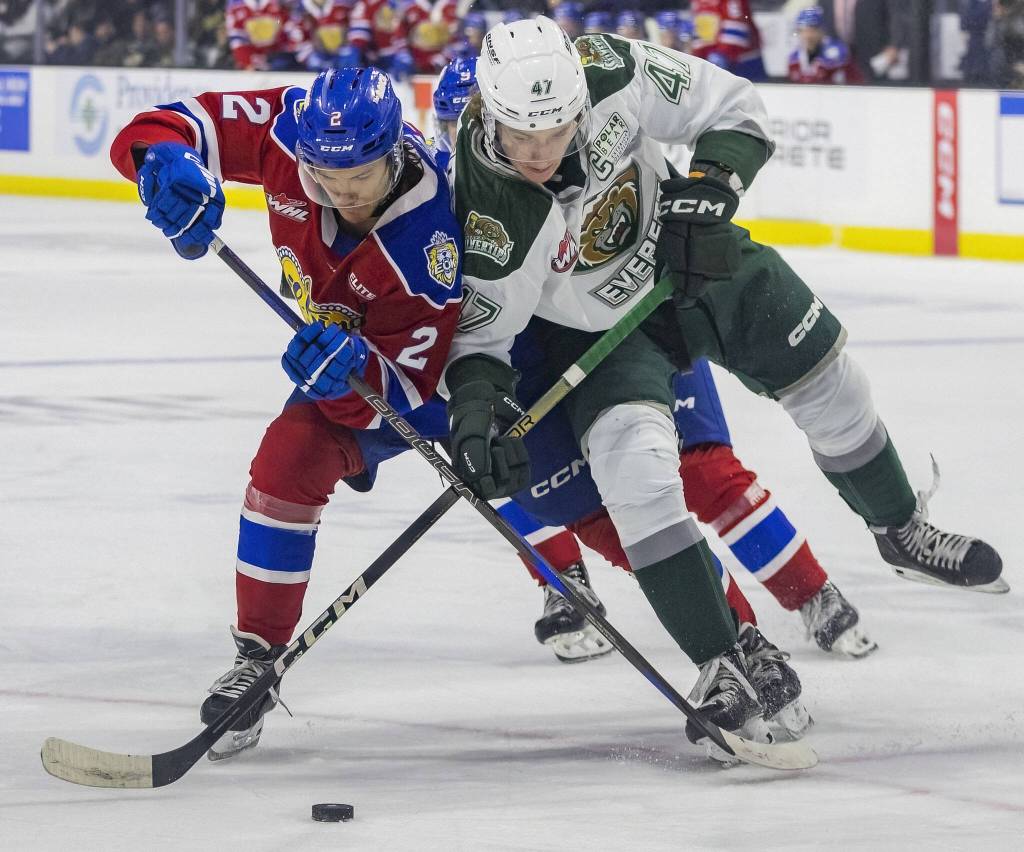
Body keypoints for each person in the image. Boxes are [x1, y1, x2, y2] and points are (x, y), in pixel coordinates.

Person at [443, 16, 1005, 753]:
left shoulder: (610, 67)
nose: (540, 152)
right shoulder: (484, 206)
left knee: (831, 377)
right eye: (521, 135)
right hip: (597, 335)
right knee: (636, 470)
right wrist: (476, 412)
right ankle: (719, 664)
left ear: (581, 97)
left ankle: (899, 526)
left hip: (690, 261)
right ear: (488, 112)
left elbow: (734, 106)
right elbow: (481, 339)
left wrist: (709, 188)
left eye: (556, 130)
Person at [432, 54, 875, 663]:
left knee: (705, 467)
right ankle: (570, 587)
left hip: (643, 313)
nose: (533, 153)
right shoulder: (456, 191)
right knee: (531, 480)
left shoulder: (595, 125)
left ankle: (808, 591)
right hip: (543, 354)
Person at [109, 67, 464, 760]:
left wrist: (349, 380)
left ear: (395, 152)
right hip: (349, 365)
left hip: (444, 385)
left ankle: (687, 622)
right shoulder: (288, 126)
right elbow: (157, 128)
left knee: (555, 483)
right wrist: (165, 166)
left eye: (359, 175)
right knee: (285, 461)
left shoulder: (430, 238)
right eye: (323, 175)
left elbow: (412, 396)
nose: (339, 192)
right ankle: (256, 659)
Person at [690, 0, 766, 80]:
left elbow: (737, 26)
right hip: (713, 61)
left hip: (744, 61)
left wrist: (721, 54)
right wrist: (698, 56)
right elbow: (700, 28)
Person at [788, 6, 863, 84]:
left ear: (821, 30)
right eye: (803, 31)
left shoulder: (838, 52)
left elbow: (856, 82)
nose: (808, 36)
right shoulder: (794, 58)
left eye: (812, 30)